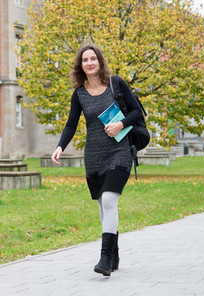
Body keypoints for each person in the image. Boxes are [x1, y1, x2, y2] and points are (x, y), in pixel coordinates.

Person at [51, 44, 142, 277]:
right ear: (80, 65)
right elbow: (71, 124)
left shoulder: (116, 84)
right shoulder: (79, 94)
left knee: (110, 200)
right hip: (94, 155)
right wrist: (60, 146)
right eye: (85, 60)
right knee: (103, 205)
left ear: (100, 62)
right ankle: (114, 253)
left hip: (119, 152)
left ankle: (104, 257)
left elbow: (136, 112)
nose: (89, 63)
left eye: (93, 58)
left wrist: (121, 124)